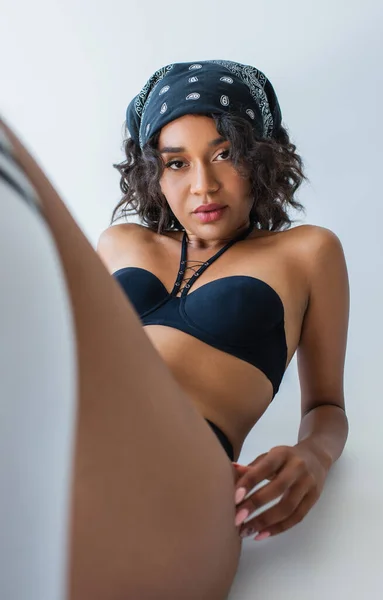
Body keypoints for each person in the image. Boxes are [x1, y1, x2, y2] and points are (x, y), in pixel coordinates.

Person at [0, 59, 349, 600]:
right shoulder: (122, 243)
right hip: (66, 443)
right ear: (154, 175)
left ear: (260, 157)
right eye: (176, 164)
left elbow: (326, 406)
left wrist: (314, 456)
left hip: (185, 475)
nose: (203, 186)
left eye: (224, 154)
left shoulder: (307, 252)